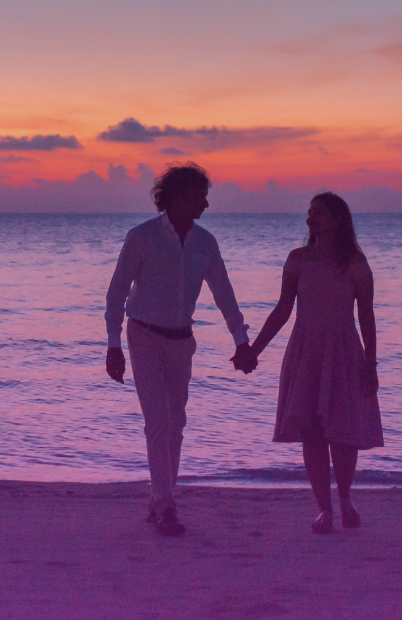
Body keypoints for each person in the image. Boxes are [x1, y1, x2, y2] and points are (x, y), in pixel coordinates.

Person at [104, 162, 254, 537]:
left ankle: (162, 496)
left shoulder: (206, 243)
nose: (204, 204)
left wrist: (241, 340)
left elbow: (224, 294)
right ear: (173, 197)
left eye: (205, 197)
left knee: (176, 423)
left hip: (182, 342)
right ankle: (166, 505)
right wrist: (113, 345)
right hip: (144, 337)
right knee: (157, 421)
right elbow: (116, 294)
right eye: (197, 196)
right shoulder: (141, 237)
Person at [237, 191, 382, 534]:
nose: (309, 219)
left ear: (337, 220)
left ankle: (345, 500)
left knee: (343, 433)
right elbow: (283, 309)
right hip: (306, 351)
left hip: (345, 351)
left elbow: (367, 316)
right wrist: (254, 349)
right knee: (312, 434)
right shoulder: (298, 259)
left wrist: (372, 365)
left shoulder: (355, 264)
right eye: (308, 213)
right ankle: (324, 510)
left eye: (317, 213)